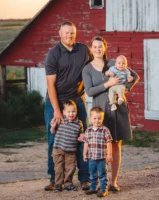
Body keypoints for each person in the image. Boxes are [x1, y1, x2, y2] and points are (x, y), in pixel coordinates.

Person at [82, 36, 140, 192]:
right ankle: (99, 181)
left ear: (105, 48)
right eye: (95, 47)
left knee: (116, 143)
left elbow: (134, 76)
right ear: (91, 48)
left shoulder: (115, 63)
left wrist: (124, 89)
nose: (98, 49)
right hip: (99, 111)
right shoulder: (87, 69)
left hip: (117, 109)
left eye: (100, 46)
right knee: (99, 146)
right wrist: (108, 84)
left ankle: (113, 182)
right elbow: (89, 91)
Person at [44, 21, 91, 191]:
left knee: (82, 138)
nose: (70, 36)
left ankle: (85, 178)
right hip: (55, 102)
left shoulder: (84, 50)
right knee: (53, 141)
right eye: (66, 33)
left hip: (76, 101)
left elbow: (97, 64)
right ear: (60, 33)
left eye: (72, 33)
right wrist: (57, 111)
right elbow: (50, 86)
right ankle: (54, 179)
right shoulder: (53, 54)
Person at [50, 100, 85, 192]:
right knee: (58, 167)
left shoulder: (79, 123)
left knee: (70, 168)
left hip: (71, 150)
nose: (71, 114)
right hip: (58, 149)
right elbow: (52, 132)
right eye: (69, 112)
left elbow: (81, 133)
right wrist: (53, 127)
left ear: (76, 112)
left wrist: (82, 136)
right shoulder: (60, 120)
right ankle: (58, 184)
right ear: (64, 112)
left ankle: (68, 183)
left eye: (73, 111)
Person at [83, 107, 113, 197]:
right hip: (92, 157)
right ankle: (93, 188)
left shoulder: (105, 130)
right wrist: (84, 154)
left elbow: (109, 142)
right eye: (95, 118)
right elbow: (86, 143)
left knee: (103, 174)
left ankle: (103, 189)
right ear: (91, 118)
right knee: (92, 174)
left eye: (99, 118)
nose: (97, 120)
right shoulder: (88, 131)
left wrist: (109, 154)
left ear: (102, 119)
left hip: (102, 158)